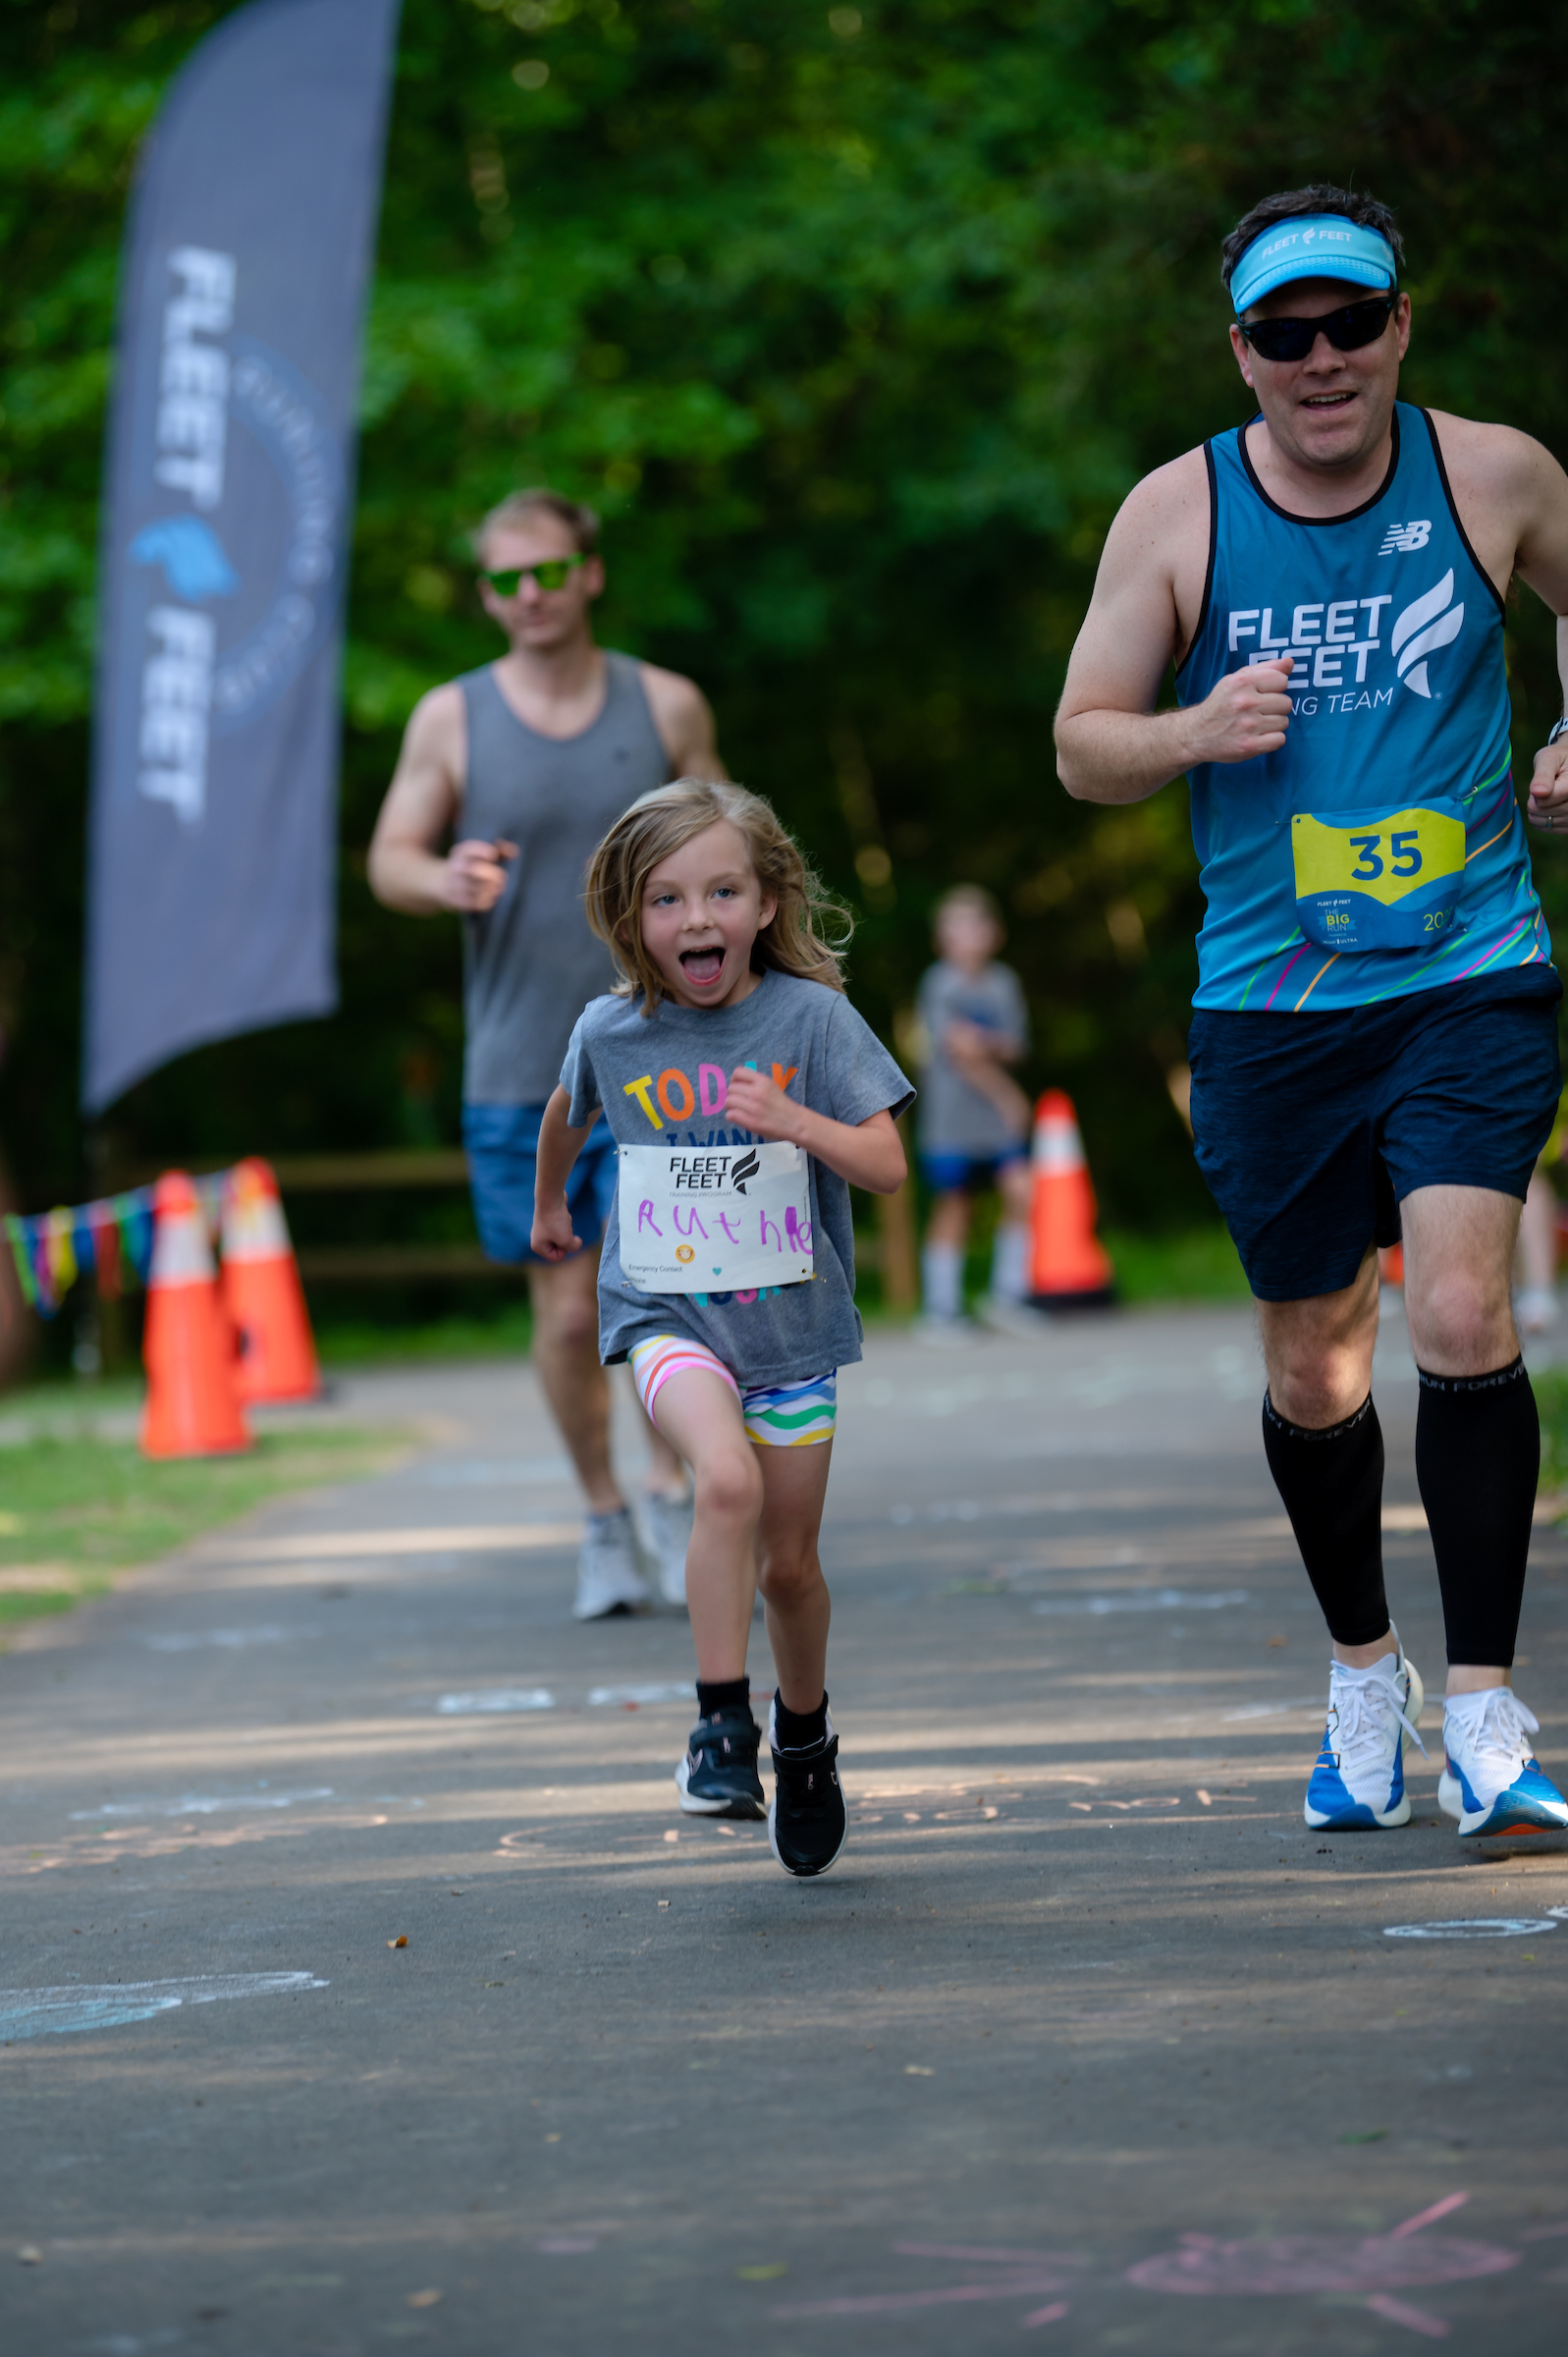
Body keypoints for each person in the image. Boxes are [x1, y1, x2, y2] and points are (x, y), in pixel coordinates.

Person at [1055, 184, 1568, 1840]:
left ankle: (1485, 1708)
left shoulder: (1491, 473)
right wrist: (1194, 730)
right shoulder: (1177, 515)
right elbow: (1078, 744)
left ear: (1399, 326)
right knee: (1313, 1369)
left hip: (1467, 970)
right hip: (1272, 1004)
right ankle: (1366, 1674)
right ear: (1244, 354)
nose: (1323, 357)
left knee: (1463, 1318)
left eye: (1352, 322)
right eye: (1287, 334)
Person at [530, 779, 912, 1876]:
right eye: (665, 900)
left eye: (721, 892)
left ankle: (803, 1736)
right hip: (665, 1313)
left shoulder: (811, 1020)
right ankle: (717, 1726)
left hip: (788, 1335)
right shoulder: (610, 1028)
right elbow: (567, 1109)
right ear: (629, 917)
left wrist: (795, 1120)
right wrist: (553, 1204)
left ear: (763, 901)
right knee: (724, 1485)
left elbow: (885, 1166)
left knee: (790, 1567)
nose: (695, 920)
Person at [368, 488, 726, 1620]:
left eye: (549, 572)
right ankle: (601, 1517)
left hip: (667, 1056)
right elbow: (390, 856)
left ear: (588, 573)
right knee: (571, 1313)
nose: (530, 595)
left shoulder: (665, 706)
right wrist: (442, 879)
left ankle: (674, 1494)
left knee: (671, 1295)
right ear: (486, 594)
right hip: (525, 1067)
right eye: (506, 579)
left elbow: (733, 852)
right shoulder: (451, 718)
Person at [914, 885, 1034, 1337]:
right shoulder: (939, 982)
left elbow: (1014, 1045)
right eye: (955, 927)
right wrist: (1008, 1096)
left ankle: (1008, 1296)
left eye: (974, 924)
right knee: (955, 1204)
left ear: (994, 933)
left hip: (995, 1121)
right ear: (941, 939)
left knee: (1020, 1191)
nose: (965, 935)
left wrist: (985, 1045)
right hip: (952, 1119)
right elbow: (961, 1050)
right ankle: (940, 1310)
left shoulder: (1003, 982)